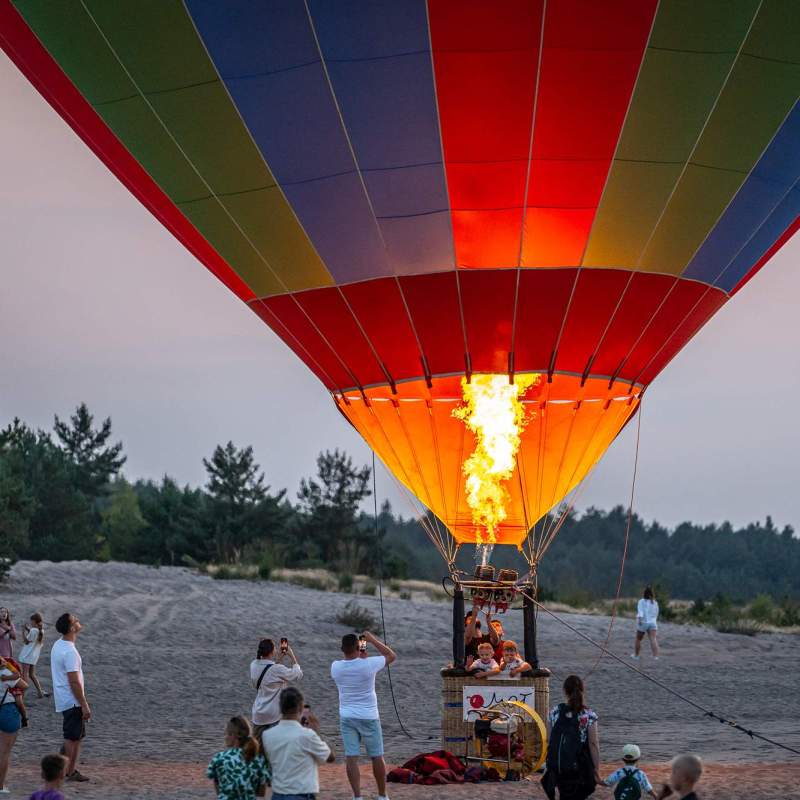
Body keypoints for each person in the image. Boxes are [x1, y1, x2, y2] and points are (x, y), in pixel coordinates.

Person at [330, 630, 396, 800]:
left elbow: (352, 666)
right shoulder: (369, 664)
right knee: (376, 756)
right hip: (369, 716)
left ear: (342, 649)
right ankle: (382, 795)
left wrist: (360, 657)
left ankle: (357, 796)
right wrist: (372, 639)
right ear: (358, 647)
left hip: (347, 716)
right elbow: (391, 655)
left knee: (351, 757)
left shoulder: (335, 666)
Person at [262, 687, 335, 799]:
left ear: (280, 708)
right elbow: (330, 757)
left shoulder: (267, 735)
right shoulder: (307, 735)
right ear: (300, 708)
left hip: (278, 794)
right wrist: (317, 733)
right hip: (302, 793)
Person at [542, 675, 601, 800]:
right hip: (579, 766)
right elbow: (593, 744)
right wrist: (596, 769)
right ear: (582, 690)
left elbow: (548, 739)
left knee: (565, 793)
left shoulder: (555, 711)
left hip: (558, 766)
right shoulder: (589, 715)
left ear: (564, 691)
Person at [50, 613, 90, 782]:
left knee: (77, 736)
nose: (79, 621)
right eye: (76, 620)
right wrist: (84, 704)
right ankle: (64, 771)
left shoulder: (58, 644)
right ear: (72, 628)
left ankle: (70, 770)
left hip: (64, 698)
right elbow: (73, 681)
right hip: (71, 700)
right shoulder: (69, 651)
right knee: (71, 738)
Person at [207, 715, 270, 800]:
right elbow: (261, 793)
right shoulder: (259, 760)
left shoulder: (219, 759)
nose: (225, 737)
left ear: (233, 735)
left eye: (226, 734)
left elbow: (219, 792)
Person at [250, 638, 302, 739]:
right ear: (272, 651)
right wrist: (292, 656)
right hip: (274, 716)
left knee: (259, 750)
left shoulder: (253, 665)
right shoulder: (277, 669)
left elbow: (268, 673)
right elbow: (298, 675)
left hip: (258, 715)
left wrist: (278, 660)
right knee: (275, 749)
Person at [0, 656, 26, 795]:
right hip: (6, 710)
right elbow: (24, 685)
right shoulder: (5, 673)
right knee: (4, 752)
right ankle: (0, 786)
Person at [19, 614, 48, 699]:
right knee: (32, 674)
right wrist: (28, 629)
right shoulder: (41, 630)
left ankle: (23, 695)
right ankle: (39, 692)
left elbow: (26, 641)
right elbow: (34, 636)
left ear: (34, 621)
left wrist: (22, 631)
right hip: (34, 656)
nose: (30, 622)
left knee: (25, 675)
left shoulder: (33, 630)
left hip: (27, 655)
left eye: (31, 621)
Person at [0, 657, 28, 728]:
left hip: (14, 684)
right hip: (10, 684)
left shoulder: (8, 664)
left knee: (19, 702)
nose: (3, 664)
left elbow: (17, 675)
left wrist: (6, 678)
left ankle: (24, 718)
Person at [632, 587, 660, 660]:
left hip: (644, 622)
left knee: (638, 639)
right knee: (653, 639)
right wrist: (653, 620)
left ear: (644, 593)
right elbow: (656, 613)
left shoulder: (641, 601)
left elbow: (640, 611)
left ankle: (636, 656)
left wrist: (640, 620)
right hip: (653, 623)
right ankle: (655, 656)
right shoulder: (655, 602)